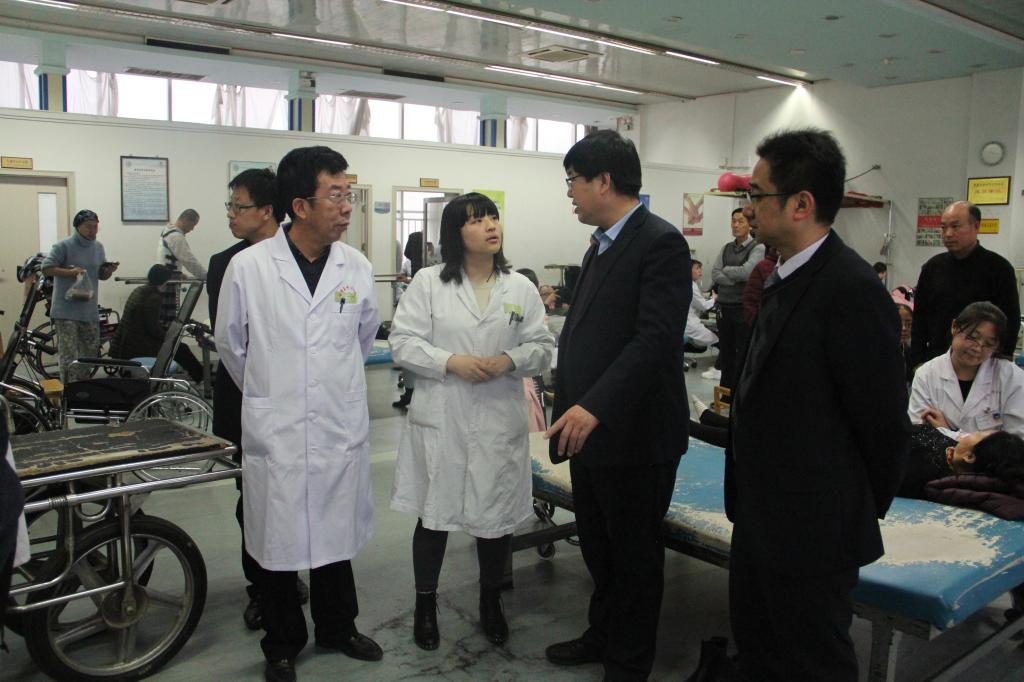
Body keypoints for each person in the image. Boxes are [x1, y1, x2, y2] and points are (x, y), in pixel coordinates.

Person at [723, 129, 909, 681]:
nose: (748, 207)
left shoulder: (851, 290)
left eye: (757, 195)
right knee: (759, 650)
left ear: (801, 204)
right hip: (760, 515)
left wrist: (845, 515)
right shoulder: (780, 276)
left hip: (815, 529)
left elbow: (883, 422)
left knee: (813, 661)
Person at [215, 145, 382, 682]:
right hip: (278, 429)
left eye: (348, 193)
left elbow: (362, 338)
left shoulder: (356, 266)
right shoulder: (249, 268)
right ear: (300, 206)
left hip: (336, 425)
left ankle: (338, 627)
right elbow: (232, 347)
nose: (346, 205)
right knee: (277, 542)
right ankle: (283, 642)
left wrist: (326, 386)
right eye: (335, 194)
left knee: (334, 534)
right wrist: (274, 392)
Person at [544, 129, 690, 681]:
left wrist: (595, 406)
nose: (569, 193)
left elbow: (654, 341)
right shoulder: (600, 245)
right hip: (589, 434)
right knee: (600, 549)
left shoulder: (660, 243)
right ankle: (602, 635)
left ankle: (628, 664)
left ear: (604, 181)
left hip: (635, 436)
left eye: (573, 181)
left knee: (633, 558)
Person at [389, 192, 553, 651]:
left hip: (498, 416)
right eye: (477, 220)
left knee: (494, 517)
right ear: (455, 233)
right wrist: (451, 361)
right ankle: (425, 605)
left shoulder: (519, 287)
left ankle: (490, 601)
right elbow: (403, 341)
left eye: (493, 217)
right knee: (434, 515)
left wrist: (509, 360)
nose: (490, 226)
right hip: (444, 414)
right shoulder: (428, 283)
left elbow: (542, 346)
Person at [207, 167, 286, 632]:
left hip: (294, 398)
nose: (231, 215)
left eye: (239, 207)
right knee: (252, 495)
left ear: (267, 210)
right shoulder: (226, 263)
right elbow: (231, 340)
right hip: (243, 396)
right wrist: (259, 388)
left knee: (297, 490)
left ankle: (290, 573)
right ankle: (261, 587)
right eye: (230, 207)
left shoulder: (299, 256)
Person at [910, 201, 1019, 367]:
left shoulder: (999, 269)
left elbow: (1010, 321)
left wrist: (1001, 362)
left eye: (955, 226)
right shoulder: (932, 268)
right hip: (937, 360)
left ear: (976, 226)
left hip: (982, 362)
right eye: (943, 227)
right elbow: (919, 319)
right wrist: (917, 361)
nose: (948, 234)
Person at [908, 301, 1024, 440]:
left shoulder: (1011, 377)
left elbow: (1016, 441)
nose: (977, 348)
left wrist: (947, 433)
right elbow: (918, 435)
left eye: (989, 344)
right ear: (954, 327)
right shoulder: (926, 375)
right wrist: (983, 440)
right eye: (972, 338)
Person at [41, 209, 119, 383]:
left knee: (90, 351)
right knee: (68, 353)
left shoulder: (98, 247)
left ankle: (81, 386)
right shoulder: (63, 246)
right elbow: (46, 268)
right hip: (65, 309)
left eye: (95, 227)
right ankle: (68, 388)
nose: (92, 230)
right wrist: (71, 273)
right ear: (78, 226)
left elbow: (101, 275)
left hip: (88, 308)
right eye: (88, 226)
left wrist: (108, 270)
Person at [108, 264, 204, 382]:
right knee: (180, 348)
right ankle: (202, 377)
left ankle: (199, 374)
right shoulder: (154, 298)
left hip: (125, 345)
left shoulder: (141, 290)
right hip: (137, 347)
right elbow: (153, 330)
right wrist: (171, 337)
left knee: (177, 347)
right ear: (165, 281)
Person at [706, 208, 764, 386]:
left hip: (742, 309)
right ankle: (725, 395)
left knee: (741, 354)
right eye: (733, 221)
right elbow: (715, 273)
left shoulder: (758, 247)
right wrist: (734, 279)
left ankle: (737, 395)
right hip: (724, 308)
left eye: (741, 221)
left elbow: (748, 273)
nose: (736, 225)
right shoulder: (726, 248)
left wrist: (727, 271)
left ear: (750, 225)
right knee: (726, 354)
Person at [159, 208, 207, 328]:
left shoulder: (167, 231)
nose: (192, 229)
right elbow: (189, 261)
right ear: (186, 220)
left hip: (166, 276)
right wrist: (207, 276)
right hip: (168, 281)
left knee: (165, 316)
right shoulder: (176, 237)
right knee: (168, 320)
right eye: (193, 224)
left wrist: (178, 273)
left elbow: (166, 258)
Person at [686, 259, 718, 348]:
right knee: (717, 340)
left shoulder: (687, 283)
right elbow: (703, 306)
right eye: (697, 268)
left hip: (687, 323)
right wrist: (714, 298)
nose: (700, 271)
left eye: (700, 268)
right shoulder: (691, 286)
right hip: (690, 326)